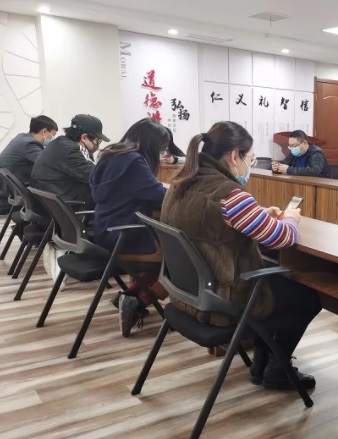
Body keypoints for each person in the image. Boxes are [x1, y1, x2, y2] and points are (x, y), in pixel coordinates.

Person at [162, 121, 322, 390]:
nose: (250, 166)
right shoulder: (228, 194)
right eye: (251, 159)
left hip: (188, 294)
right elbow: (283, 237)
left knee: (277, 285)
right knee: (305, 297)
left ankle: (264, 363)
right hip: (223, 301)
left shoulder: (181, 182)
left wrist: (259, 215)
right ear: (234, 156)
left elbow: (210, 225)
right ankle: (277, 369)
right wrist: (291, 218)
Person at [90, 118, 169, 337]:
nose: (161, 153)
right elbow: (159, 195)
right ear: (151, 143)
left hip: (106, 231)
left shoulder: (111, 155)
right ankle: (139, 302)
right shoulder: (134, 161)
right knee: (178, 261)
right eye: (160, 148)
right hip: (123, 236)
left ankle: (129, 295)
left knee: (169, 255)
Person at [30, 114, 108, 209]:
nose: (98, 145)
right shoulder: (71, 151)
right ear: (84, 138)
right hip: (67, 206)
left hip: (52, 202)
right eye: (97, 141)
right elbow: (96, 176)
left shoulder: (61, 143)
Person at [0, 115, 58, 213]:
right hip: (13, 195)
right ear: (44, 131)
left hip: (7, 191)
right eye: (53, 135)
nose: (52, 138)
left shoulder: (21, 137)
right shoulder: (30, 144)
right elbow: (48, 163)